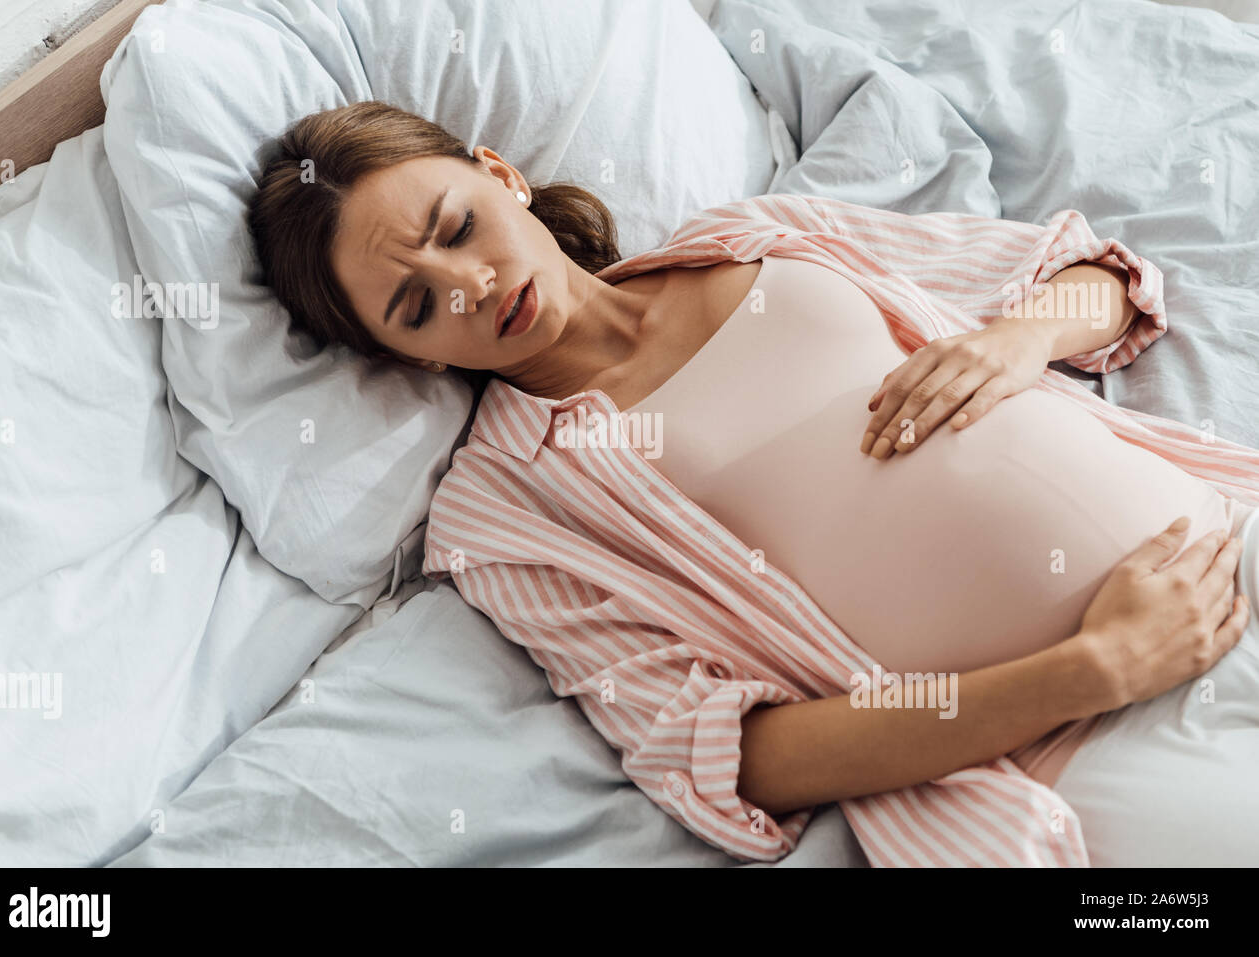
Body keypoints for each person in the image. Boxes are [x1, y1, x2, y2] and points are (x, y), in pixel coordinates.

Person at [248, 101, 1259, 866]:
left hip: (1223, 541)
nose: (469, 287)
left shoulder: (757, 235)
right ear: (405, 358)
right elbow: (735, 757)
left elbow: (1096, 276)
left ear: (501, 177)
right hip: (1078, 744)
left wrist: (1018, 336)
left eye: (457, 227)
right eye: (417, 308)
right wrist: (1093, 669)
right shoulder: (504, 511)